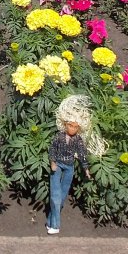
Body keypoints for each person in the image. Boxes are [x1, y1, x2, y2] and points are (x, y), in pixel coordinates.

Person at [46, 95, 106, 235]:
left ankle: (50, 221)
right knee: (55, 195)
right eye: (70, 125)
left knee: (62, 197)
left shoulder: (78, 140)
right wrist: (53, 162)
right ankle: (56, 226)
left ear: (79, 128)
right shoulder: (59, 137)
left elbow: (82, 154)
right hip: (58, 165)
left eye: (75, 127)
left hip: (69, 167)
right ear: (65, 124)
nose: (72, 129)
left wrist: (86, 169)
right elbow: (52, 149)